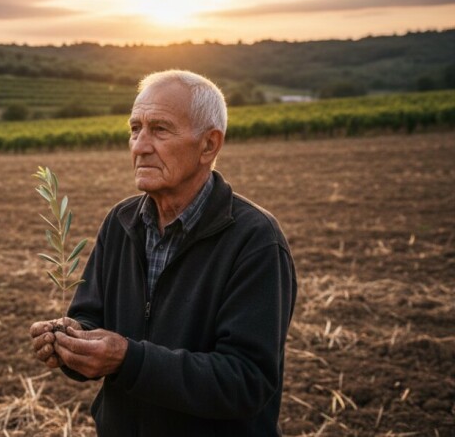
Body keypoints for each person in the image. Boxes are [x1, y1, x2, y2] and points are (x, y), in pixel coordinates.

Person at [29, 70, 297, 436]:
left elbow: (246, 381)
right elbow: (90, 318)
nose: (139, 145)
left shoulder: (255, 240)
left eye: (159, 129)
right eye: (135, 128)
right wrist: (71, 345)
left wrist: (128, 359)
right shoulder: (121, 222)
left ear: (209, 145)